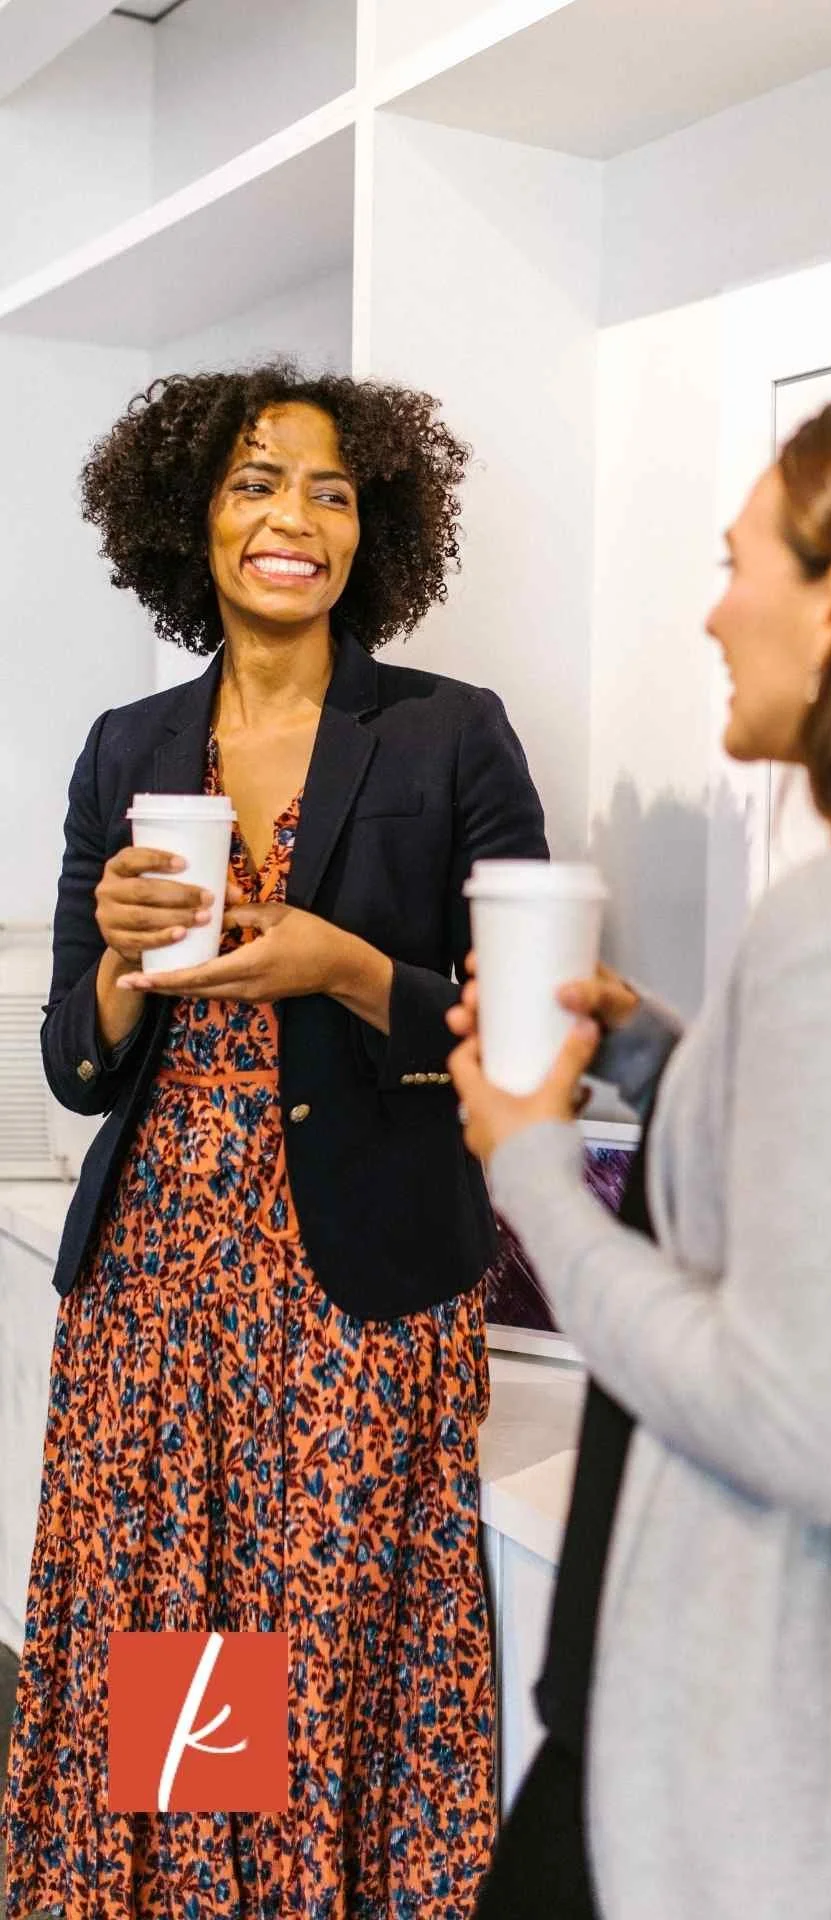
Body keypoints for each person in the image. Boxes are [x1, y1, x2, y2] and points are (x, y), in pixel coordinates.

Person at [447, 380, 831, 1918]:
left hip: (773, 1782)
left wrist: (530, 1161)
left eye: (741, 566)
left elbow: (799, 1415)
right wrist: (681, 1061)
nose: (717, 618)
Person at [0, 362, 548, 1920]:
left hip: (359, 1281)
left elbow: (523, 1028)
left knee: (327, 1655)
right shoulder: (126, 751)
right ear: (196, 518)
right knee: (185, 1647)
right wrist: (112, 966)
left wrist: (349, 968)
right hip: (159, 1287)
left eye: (328, 488)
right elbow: (77, 1065)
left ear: (374, 529)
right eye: (254, 482)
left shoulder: (450, 736)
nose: (291, 517)